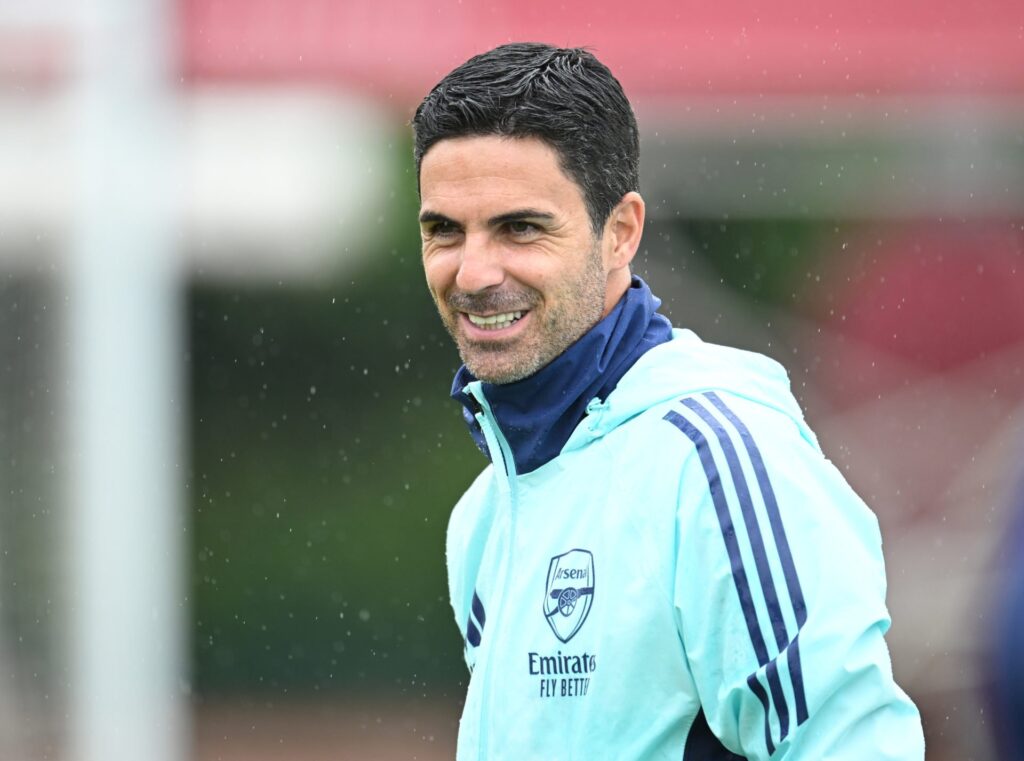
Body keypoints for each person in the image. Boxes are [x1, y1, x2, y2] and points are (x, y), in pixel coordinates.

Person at [412, 42, 925, 760]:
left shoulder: (716, 458)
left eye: (520, 227)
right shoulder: (487, 513)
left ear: (620, 232)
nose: (472, 271)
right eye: (444, 230)